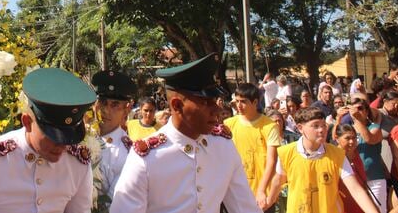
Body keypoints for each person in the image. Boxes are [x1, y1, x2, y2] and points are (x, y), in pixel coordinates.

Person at [111, 53, 260, 213]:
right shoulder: (146, 158)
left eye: (214, 100)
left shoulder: (223, 146)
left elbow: (245, 207)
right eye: (205, 102)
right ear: (177, 106)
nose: (216, 109)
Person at [0, 67, 96, 213]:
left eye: (69, 138)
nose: (62, 146)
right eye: (53, 137)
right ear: (27, 122)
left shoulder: (77, 165)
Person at [265, 107, 380, 213]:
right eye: (315, 126)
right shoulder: (286, 152)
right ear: (300, 128)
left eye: (323, 125)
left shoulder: (337, 154)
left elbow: (355, 189)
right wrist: (268, 202)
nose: (321, 130)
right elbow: (278, 181)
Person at [225, 82, 280, 211]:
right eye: (237, 101)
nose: (239, 105)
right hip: (236, 194)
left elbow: (271, 162)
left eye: (243, 101)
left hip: (261, 195)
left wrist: (261, 190)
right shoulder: (228, 125)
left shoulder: (270, 126)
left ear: (255, 102)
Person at [91, 70, 137, 207]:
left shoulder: (127, 153)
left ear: (126, 109)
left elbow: (112, 204)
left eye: (115, 104)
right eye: (103, 102)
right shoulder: (80, 136)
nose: (105, 110)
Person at [337, 96, 387, 212]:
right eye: (353, 109)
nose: (357, 111)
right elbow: (336, 139)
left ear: (366, 110)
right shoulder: (349, 129)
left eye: (360, 108)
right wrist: (339, 117)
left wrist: (357, 119)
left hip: (374, 178)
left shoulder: (374, 127)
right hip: (355, 179)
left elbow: (369, 139)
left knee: (377, 210)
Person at [335, 124, 372, 213]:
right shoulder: (334, 157)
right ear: (337, 139)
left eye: (354, 138)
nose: (352, 141)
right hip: (343, 205)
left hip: (361, 204)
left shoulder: (356, 155)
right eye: (347, 138)